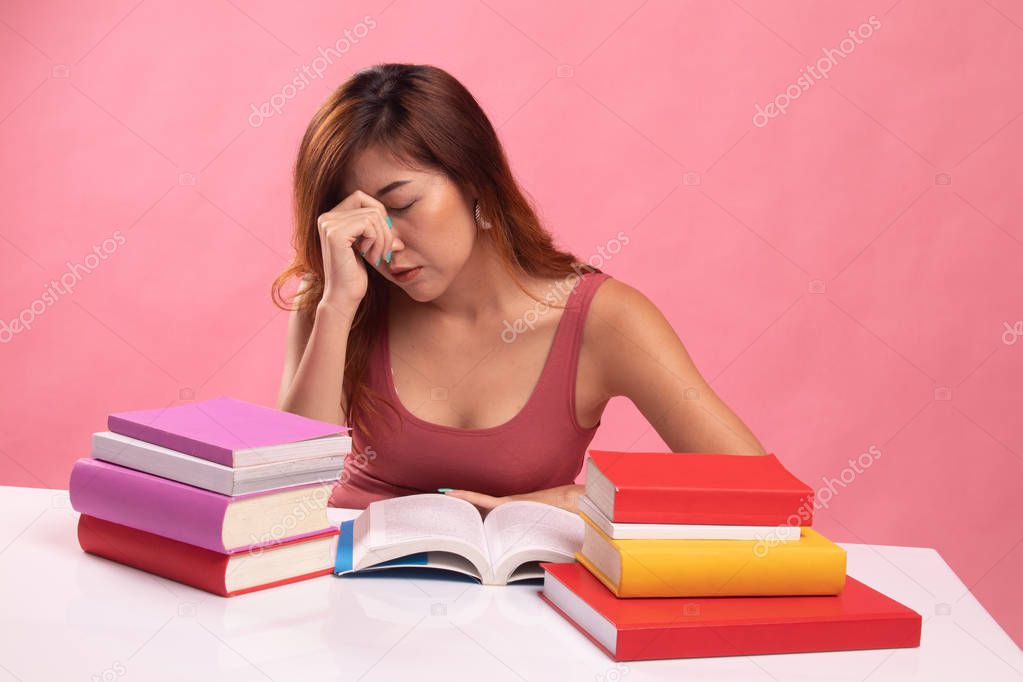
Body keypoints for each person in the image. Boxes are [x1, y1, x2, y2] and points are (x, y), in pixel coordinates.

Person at [273, 63, 766, 516]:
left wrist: (583, 501)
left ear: (476, 185)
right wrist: (336, 307)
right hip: (345, 588)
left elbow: (758, 493)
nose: (385, 244)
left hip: (518, 602)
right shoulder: (337, 299)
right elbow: (283, 497)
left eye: (401, 204)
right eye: (359, 219)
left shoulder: (603, 320)